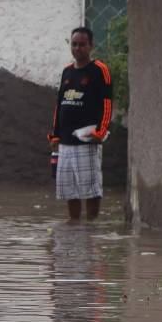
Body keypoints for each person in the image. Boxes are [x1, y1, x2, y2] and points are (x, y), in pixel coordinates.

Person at [49, 27, 112, 221]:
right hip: (66, 142)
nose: (78, 48)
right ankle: (74, 226)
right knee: (70, 190)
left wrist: (101, 132)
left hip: (88, 140)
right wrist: (55, 135)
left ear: (90, 46)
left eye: (82, 44)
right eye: (74, 44)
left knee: (91, 189)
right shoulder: (67, 72)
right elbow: (59, 105)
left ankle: (91, 228)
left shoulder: (99, 69)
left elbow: (107, 103)